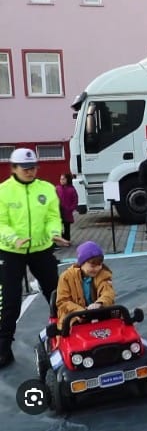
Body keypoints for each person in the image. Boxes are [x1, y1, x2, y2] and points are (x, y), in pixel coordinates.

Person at [0, 148, 70, 368]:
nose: (30, 172)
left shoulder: (47, 189)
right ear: (13, 168)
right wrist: (13, 239)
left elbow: (52, 217)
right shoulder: (3, 191)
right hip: (11, 251)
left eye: (33, 168)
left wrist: (54, 233)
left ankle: (68, 336)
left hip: (41, 249)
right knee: (10, 301)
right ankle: (3, 348)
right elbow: (1, 223)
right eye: (25, 168)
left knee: (57, 295)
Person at [56, 241, 115, 327]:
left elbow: (108, 292)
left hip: (98, 312)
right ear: (82, 263)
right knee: (67, 330)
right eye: (93, 266)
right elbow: (62, 302)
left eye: (100, 264)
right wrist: (81, 311)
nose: (98, 268)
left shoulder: (103, 274)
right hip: (74, 316)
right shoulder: (66, 277)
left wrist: (100, 303)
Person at [56, 172, 78, 242]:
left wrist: (71, 209)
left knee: (67, 227)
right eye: (61, 179)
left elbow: (75, 200)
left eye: (63, 179)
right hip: (58, 211)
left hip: (67, 212)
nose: (61, 181)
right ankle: (62, 238)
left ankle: (67, 240)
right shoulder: (57, 188)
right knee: (58, 227)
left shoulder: (71, 189)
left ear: (67, 180)